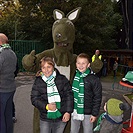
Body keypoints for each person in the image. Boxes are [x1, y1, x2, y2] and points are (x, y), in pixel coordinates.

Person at [31, 56, 74, 133]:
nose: (46, 70)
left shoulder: (62, 79)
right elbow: (34, 99)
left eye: (49, 67)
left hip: (61, 116)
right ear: (41, 69)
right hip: (45, 117)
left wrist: (68, 112)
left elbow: (69, 96)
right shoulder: (38, 82)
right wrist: (46, 106)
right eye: (43, 68)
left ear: (53, 67)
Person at [70, 53, 102, 133]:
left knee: (88, 131)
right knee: (73, 130)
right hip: (75, 109)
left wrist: (94, 114)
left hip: (88, 112)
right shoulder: (74, 76)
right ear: (76, 64)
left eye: (83, 63)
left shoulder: (94, 79)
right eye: (78, 63)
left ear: (88, 65)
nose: (81, 65)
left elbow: (97, 97)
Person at [0, 33, 17, 133]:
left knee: (1, 118)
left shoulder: (1, 54)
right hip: (10, 88)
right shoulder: (12, 53)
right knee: (8, 116)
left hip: (2, 90)